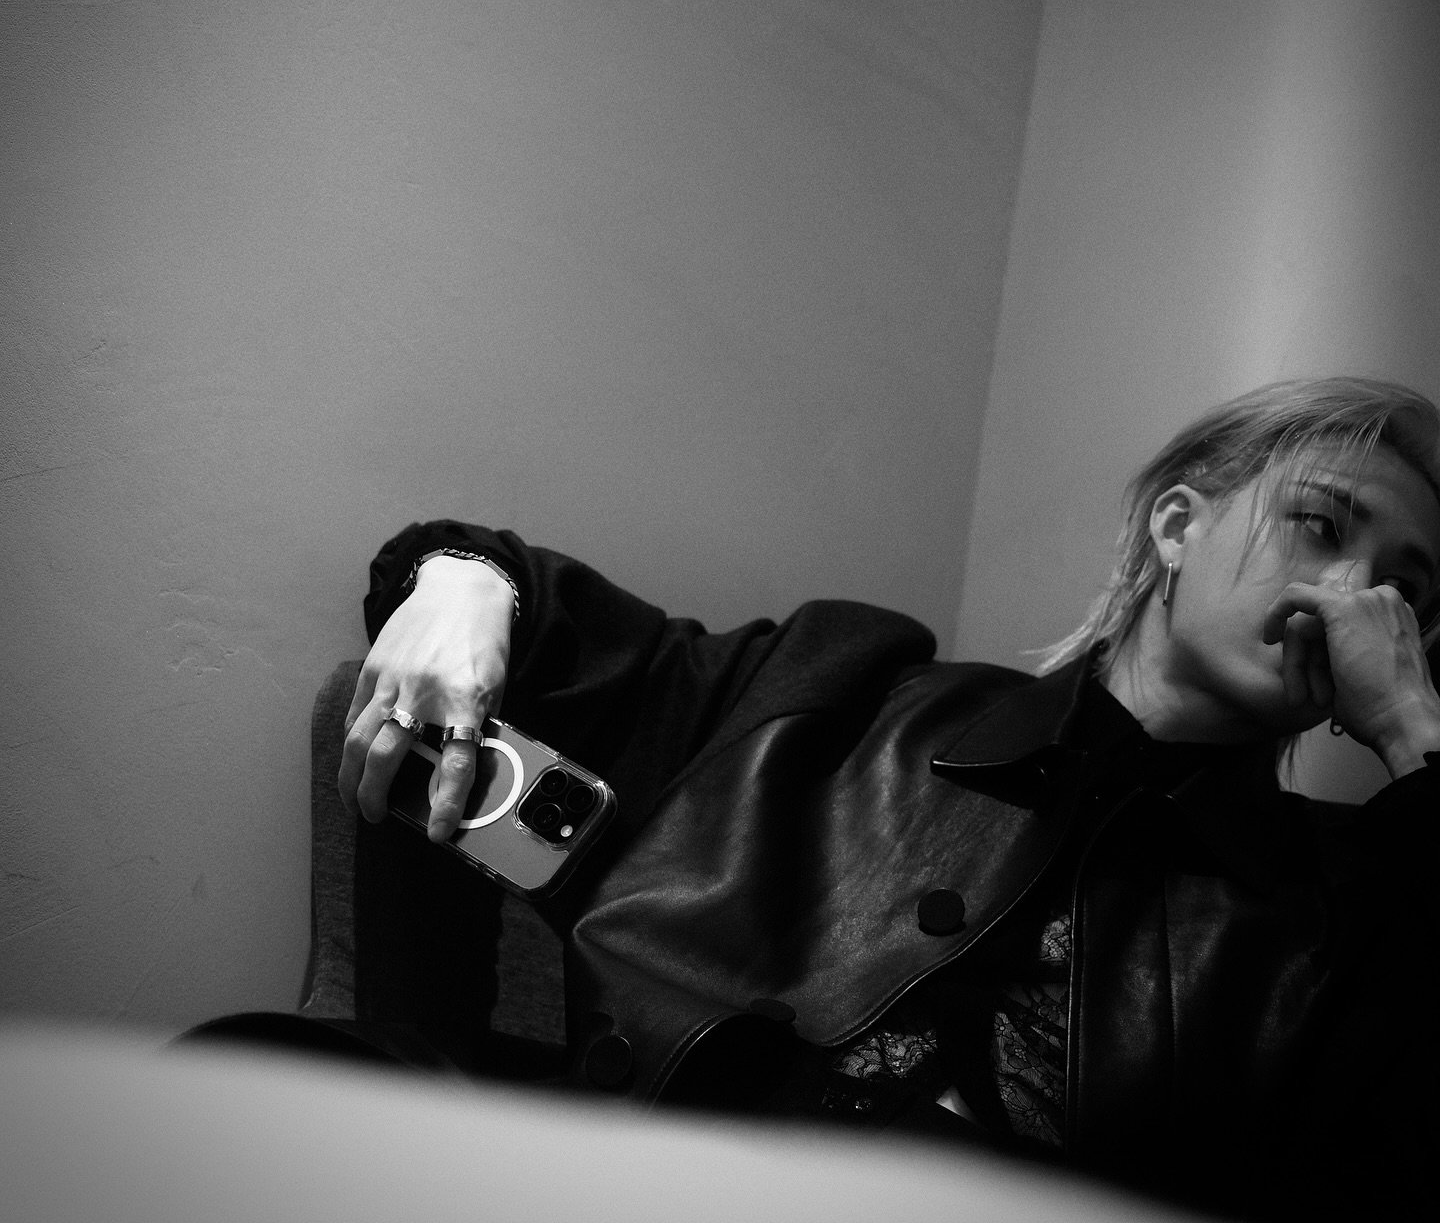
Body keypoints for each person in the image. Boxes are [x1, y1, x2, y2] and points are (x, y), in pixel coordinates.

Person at [338, 376, 1440, 1220]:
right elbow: (532, 610)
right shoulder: (844, 687)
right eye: (1321, 525)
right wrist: (464, 584)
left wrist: (1416, 739)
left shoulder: (1341, 913)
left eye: (1405, 589)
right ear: (1179, 527)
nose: (1354, 594)